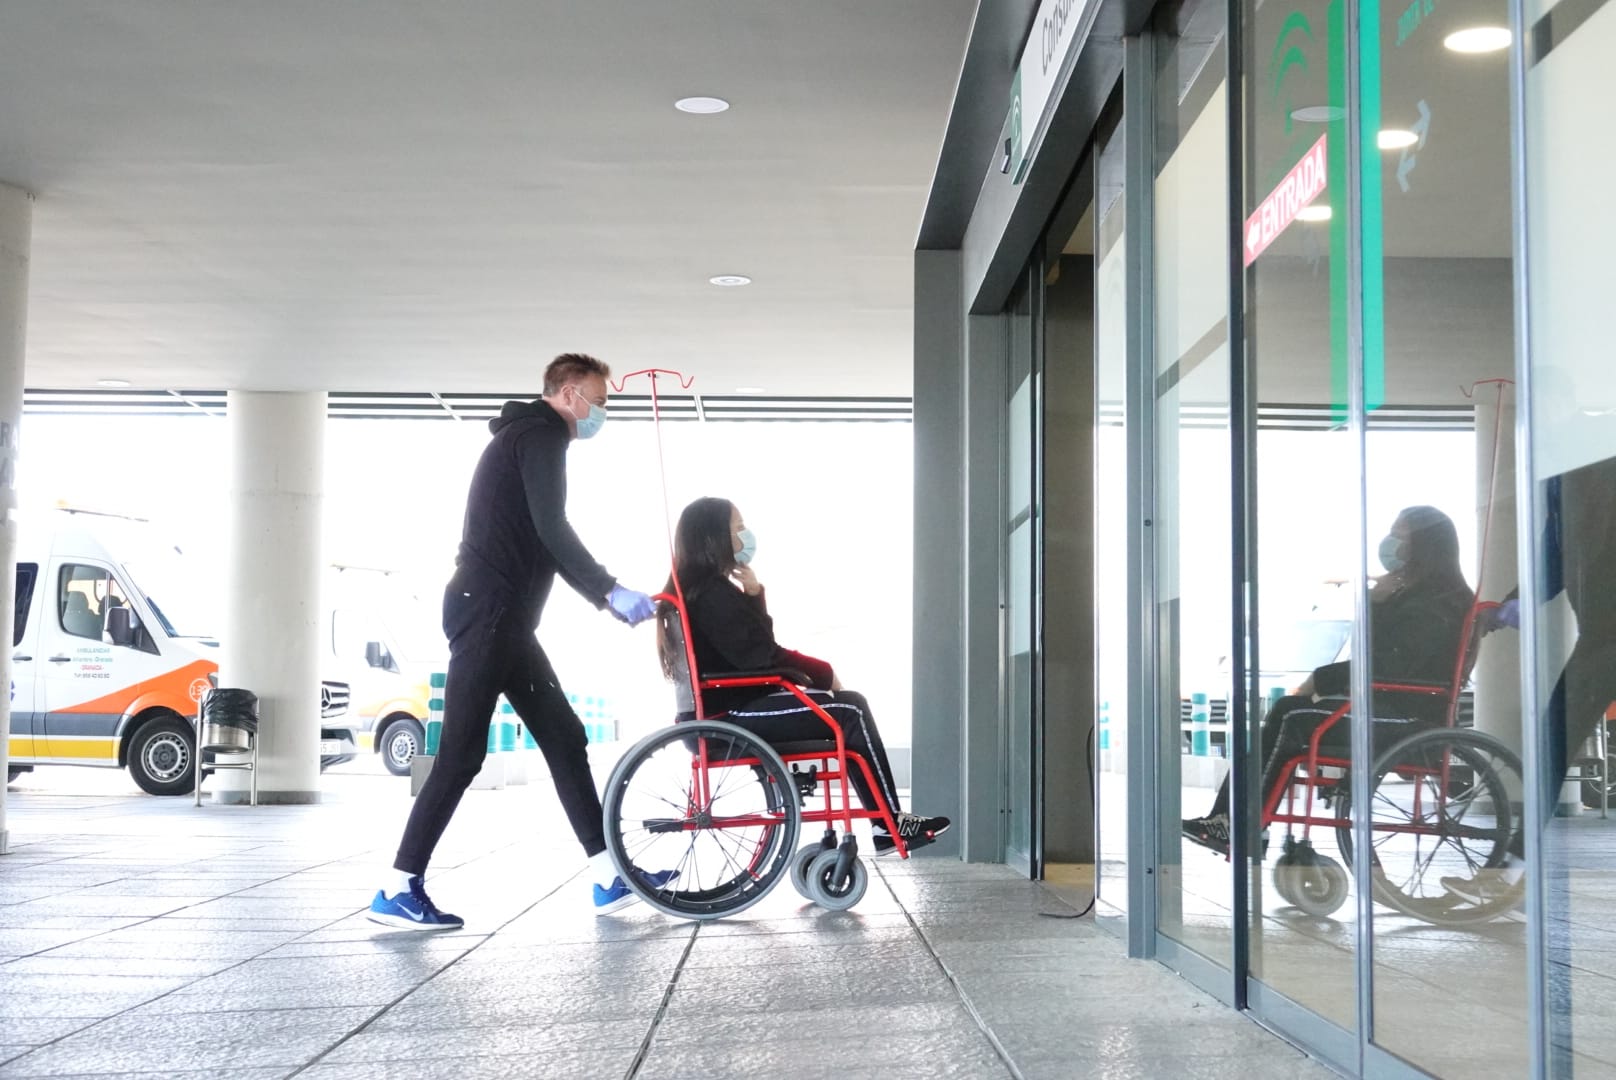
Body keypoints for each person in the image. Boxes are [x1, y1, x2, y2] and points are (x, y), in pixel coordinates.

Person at [370, 353, 668, 930]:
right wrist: (610, 591)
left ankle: (609, 875)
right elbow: (551, 528)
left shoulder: (528, 437)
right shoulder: (540, 436)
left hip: (504, 619)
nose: (601, 413)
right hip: (489, 614)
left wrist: (605, 596)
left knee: (564, 734)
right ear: (567, 394)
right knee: (461, 754)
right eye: (598, 401)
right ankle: (397, 886)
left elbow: (540, 535)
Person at [654, 496, 950, 853]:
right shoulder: (712, 595)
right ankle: (889, 824)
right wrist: (824, 674)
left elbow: (752, 650)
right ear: (714, 537)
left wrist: (752, 597)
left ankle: (886, 822)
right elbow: (763, 656)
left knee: (846, 707)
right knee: (851, 709)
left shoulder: (697, 591)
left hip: (721, 712)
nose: (745, 536)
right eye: (737, 528)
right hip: (730, 717)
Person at [1183, 506, 1474, 856]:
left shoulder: (1441, 602)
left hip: (1409, 715)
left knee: (1291, 714)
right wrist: (1375, 603)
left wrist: (1319, 680)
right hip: (1389, 704)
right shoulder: (1414, 595)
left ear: (1423, 545)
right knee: (1287, 715)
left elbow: (1389, 665)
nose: (1392, 544)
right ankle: (1235, 820)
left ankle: (1238, 822)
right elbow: (1375, 654)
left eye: (1401, 536)